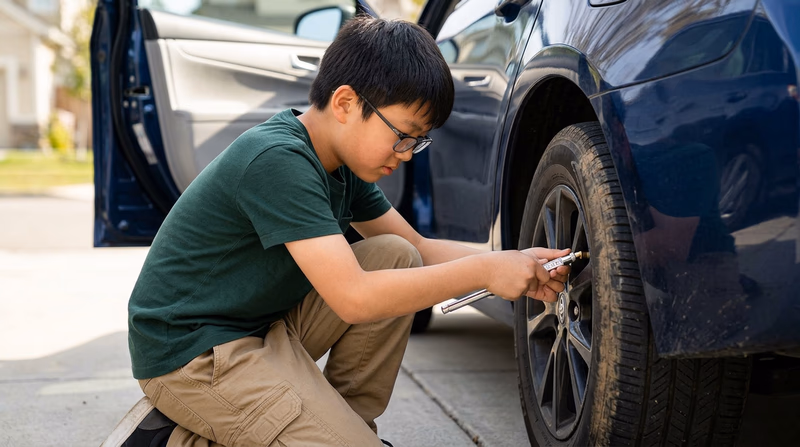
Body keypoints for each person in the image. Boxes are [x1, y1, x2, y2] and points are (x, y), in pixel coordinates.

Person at [103, 15, 570, 447]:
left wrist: (517, 259)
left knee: (393, 254)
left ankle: (344, 423)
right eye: (402, 135)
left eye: (417, 142)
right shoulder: (279, 161)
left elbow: (418, 248)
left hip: (262, 331)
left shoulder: (342, 163)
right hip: (192, 355)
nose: (407, 154)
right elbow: (353, 298)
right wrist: (485, 272)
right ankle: (170, 439)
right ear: (346, 103)